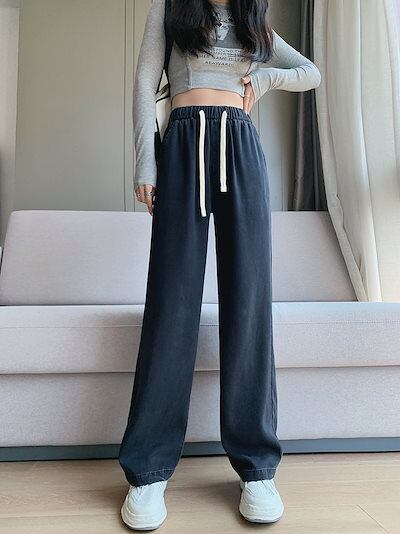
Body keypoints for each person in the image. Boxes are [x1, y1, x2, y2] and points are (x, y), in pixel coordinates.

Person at [118, 0, 321, 529]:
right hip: (183, 143)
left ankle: (257, 468)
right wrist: (146, 161)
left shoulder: (254, 21)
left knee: (249, 302)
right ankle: (148, 471)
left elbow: (310, 72)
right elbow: (144, 82)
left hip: (241, 145)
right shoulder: (169, 9)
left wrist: (265, 80)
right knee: (172, 303)